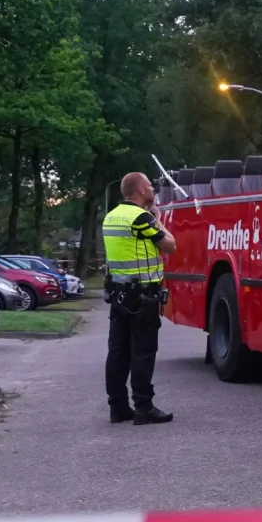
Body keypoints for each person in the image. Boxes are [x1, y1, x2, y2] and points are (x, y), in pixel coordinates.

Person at [103, 172, 177, 425]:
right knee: (143, 351)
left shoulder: (111, 216)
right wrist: (158, 218)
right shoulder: (141, 218)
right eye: (150, 186)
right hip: (143, 297)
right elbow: (170, 245)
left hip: (119, 294)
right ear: (142, 191)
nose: (153, 190)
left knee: (118, 352)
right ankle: (144, 407)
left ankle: (118, 407)